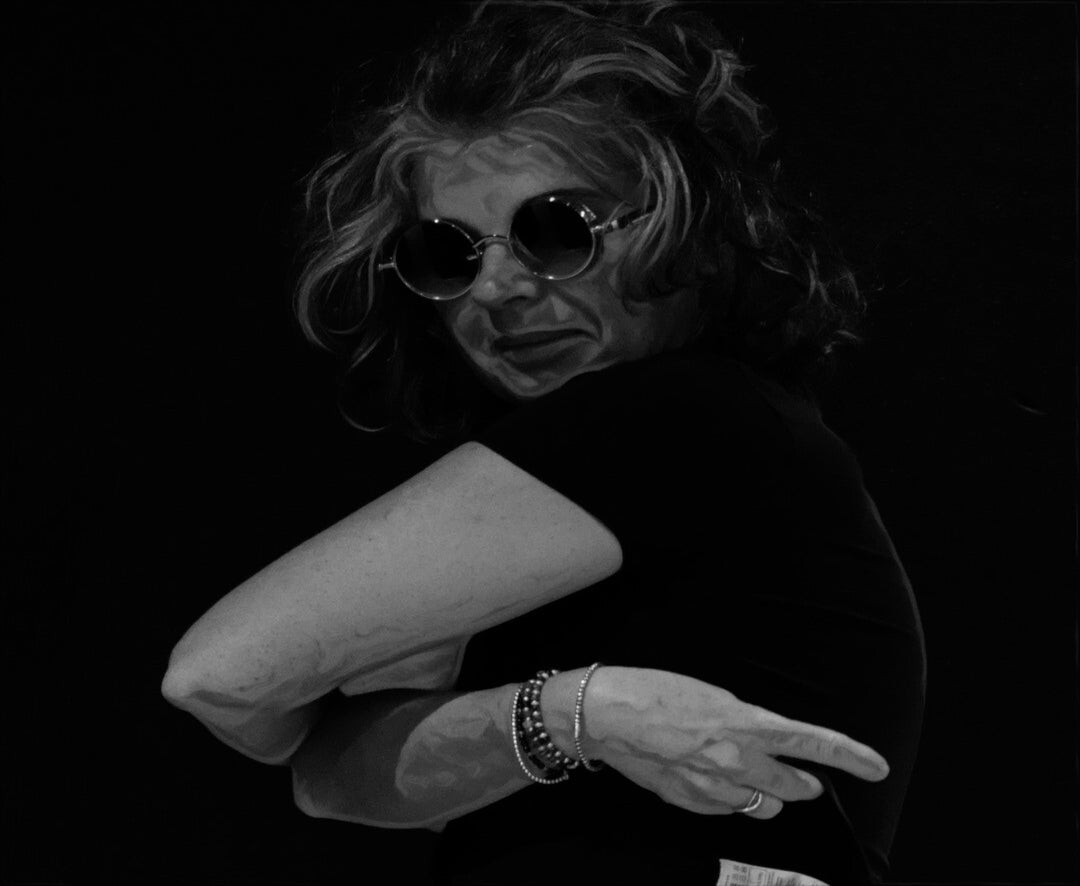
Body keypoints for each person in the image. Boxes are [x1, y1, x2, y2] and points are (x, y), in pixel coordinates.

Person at [161, 2, 926, 884]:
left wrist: (567, 712)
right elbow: (333, 781)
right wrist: (568, 713)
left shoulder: (679, 417)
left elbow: (222, 675)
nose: (497, 288)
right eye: (448, 254)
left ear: (699, 234)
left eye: (559, 230)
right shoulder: (728, 455)